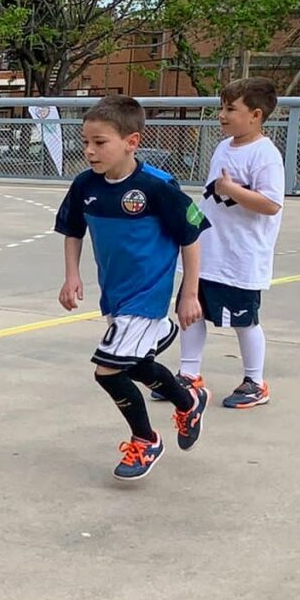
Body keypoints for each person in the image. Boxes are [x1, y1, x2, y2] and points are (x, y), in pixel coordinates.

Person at [54, 94, 211, 481]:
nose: (90, 151)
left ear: (131, 141)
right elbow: (73, 231)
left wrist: (189, 293)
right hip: (116, 294)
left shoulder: (157, 187)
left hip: (147, 296)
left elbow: (191, 237)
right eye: (85, 142)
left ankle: (146, 440)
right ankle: (187, 399)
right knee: (135, 364)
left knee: (107, 371)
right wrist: (72, 275)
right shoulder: (84, 185)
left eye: (100, 142)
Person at [170, 77, 285, 409]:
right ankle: (188, 375)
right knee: (190, 310)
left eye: (231, 109)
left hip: (240, 256)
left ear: (256, 115)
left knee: (244, 321)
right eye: (221, 107)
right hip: (208, 250)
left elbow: (271, 203)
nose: (222, 115)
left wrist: (231, 190)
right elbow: (211, 196)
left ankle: (255, 381)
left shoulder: (265, 154)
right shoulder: (223, 146)